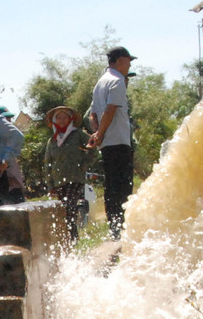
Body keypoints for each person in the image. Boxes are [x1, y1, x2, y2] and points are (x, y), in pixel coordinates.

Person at [88, 46, 136, 238]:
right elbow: (111, 110)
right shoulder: (117, 81)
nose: (129, 64)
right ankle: (121, 227)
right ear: (120, 60)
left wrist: (97, 133)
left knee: (111, 186)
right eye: (128, 60)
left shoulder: (100, 83)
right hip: (118, 140)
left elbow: (92, 114)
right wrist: (100, 133)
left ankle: (114, 227)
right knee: (123, 186)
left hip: (107, 143)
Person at [44, 105, 94, 242]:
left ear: (70, 119)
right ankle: (69, 237)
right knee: (63, 211)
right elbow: (48, 164)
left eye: (64, 117)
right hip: (58, 181)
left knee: (69, 207)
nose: (61, 120)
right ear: (54, 120)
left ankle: (73, 238)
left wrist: (85, 163)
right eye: (58, 117)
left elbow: (93, 145)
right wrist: (50, 186)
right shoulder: (52, 140)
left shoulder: (77, 134)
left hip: (75, 178)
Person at [0, 105, 27, 204]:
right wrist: (7, 178)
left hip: (15, 185)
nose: (8, 122)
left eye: (9, 119)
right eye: (5, 119)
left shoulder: (8, 139)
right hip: (6, 186)